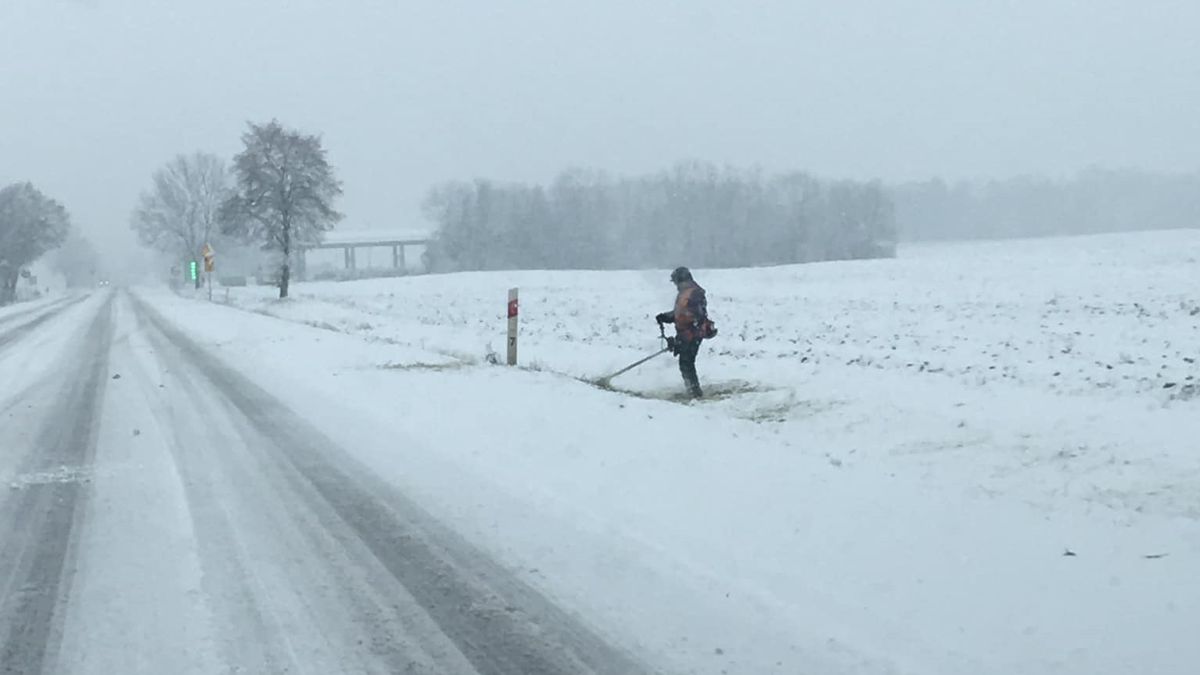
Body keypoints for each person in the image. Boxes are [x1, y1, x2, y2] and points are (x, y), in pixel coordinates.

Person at [656, 266, 711, 398]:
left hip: (692, 335)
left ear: (682, 280)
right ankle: (693, 391)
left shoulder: (694, 294)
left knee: (686, 363)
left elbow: (697, 316)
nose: (675, 285)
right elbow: (680, 314)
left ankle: (694, 393)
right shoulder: (684, 293)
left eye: (676, 282)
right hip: (686, 334)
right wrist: (665, 317)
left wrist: (688, 335)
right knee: (686, 363)